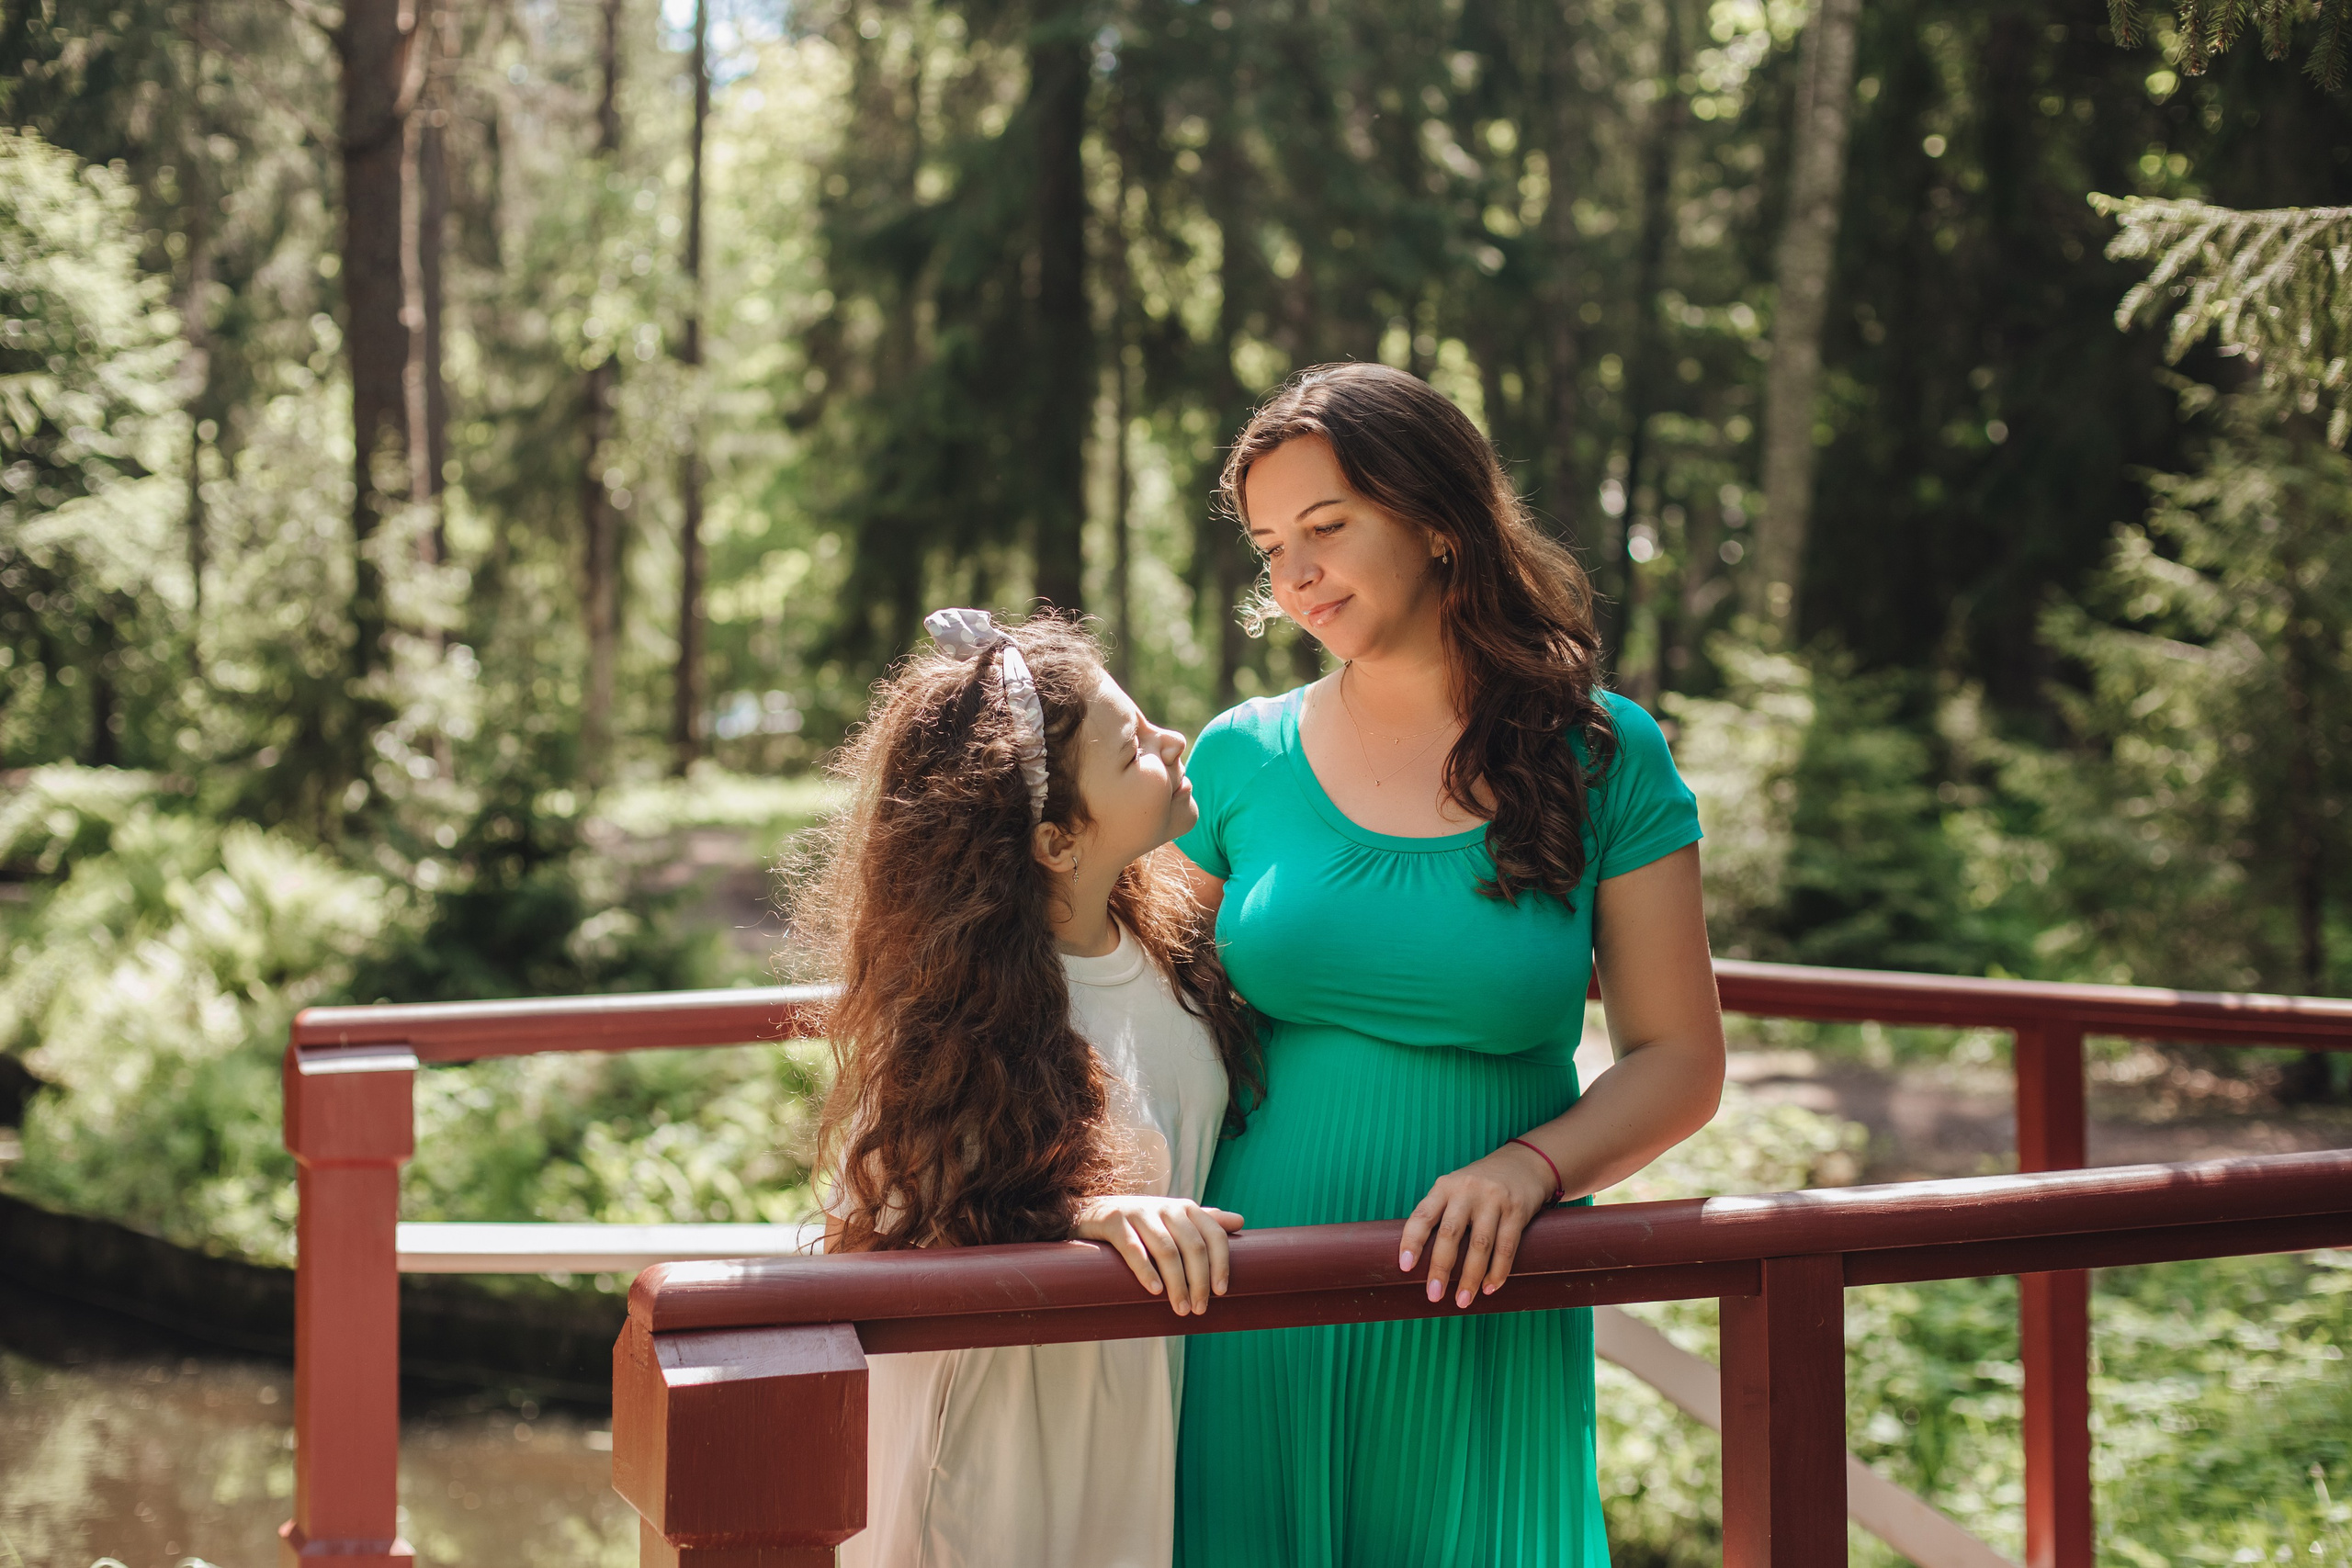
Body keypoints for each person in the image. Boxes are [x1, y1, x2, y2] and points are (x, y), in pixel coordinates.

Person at [1171, 364, 1727, 1567]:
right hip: (1252, 1290)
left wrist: (1534, 1166)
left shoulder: (1604, 753)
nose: (1297, 573)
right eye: (1272, 547)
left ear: (1434, 521)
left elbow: (1680, 1059)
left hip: (1488, 1294)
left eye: (1328, 527)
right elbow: (1126, 1010)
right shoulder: (1237, 757)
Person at [805, 609, 1263, 1568]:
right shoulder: (956, 1013)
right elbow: (911, 1216)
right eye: (1134, 747)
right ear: (1055, 842)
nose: (1173, 741)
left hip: (1134, 1406)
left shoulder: (1166, 949)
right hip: (995, 1438)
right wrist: (1080, 1216)